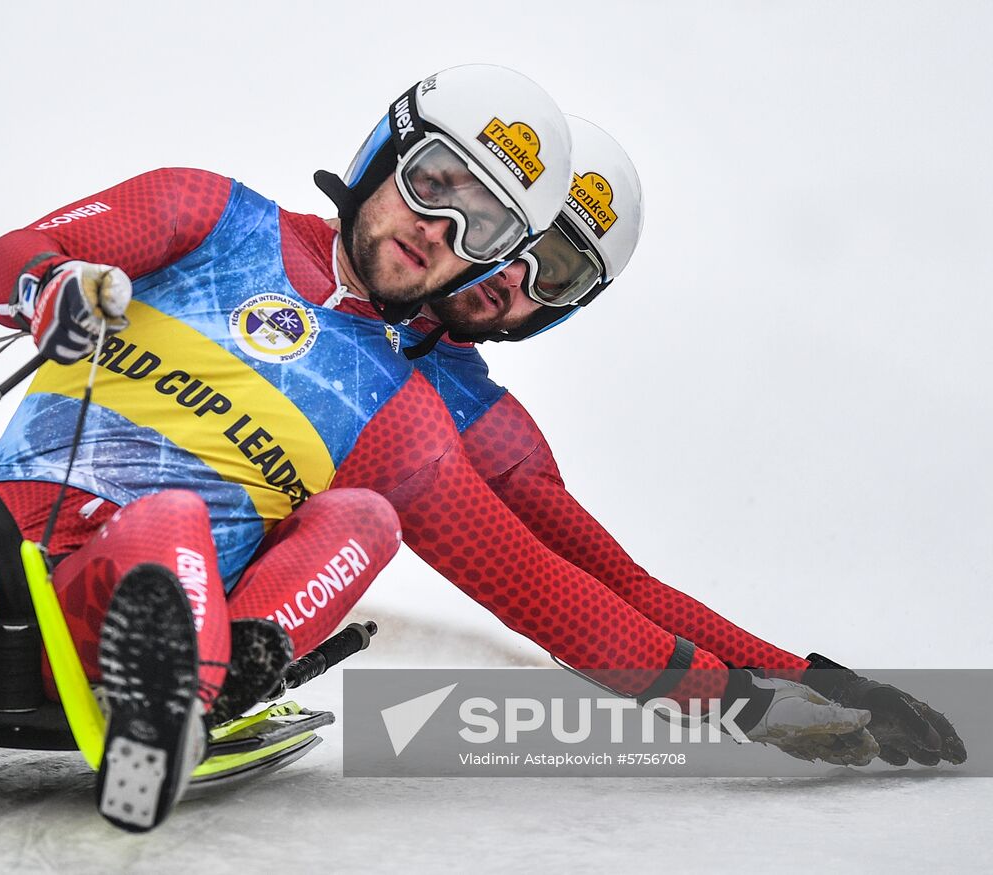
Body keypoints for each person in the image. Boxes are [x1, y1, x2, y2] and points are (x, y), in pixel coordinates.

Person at [0, 64, 873, 847]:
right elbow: (1, 261)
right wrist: (57, 285)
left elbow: (571, 587)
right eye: (432, 186)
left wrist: (773, 698)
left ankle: (179, 681)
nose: (440, 239)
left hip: (159, 570)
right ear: (382, 155)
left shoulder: (422, 406)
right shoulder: (203, 213)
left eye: (490, 237)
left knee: (217, 525)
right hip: (8, 522)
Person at [390, 115, 963, 767]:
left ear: (564, 305)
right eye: (516, 235)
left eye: (551, 270)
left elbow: (604, 585)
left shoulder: (480, 421)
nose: (512, 276)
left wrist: (815, 683)